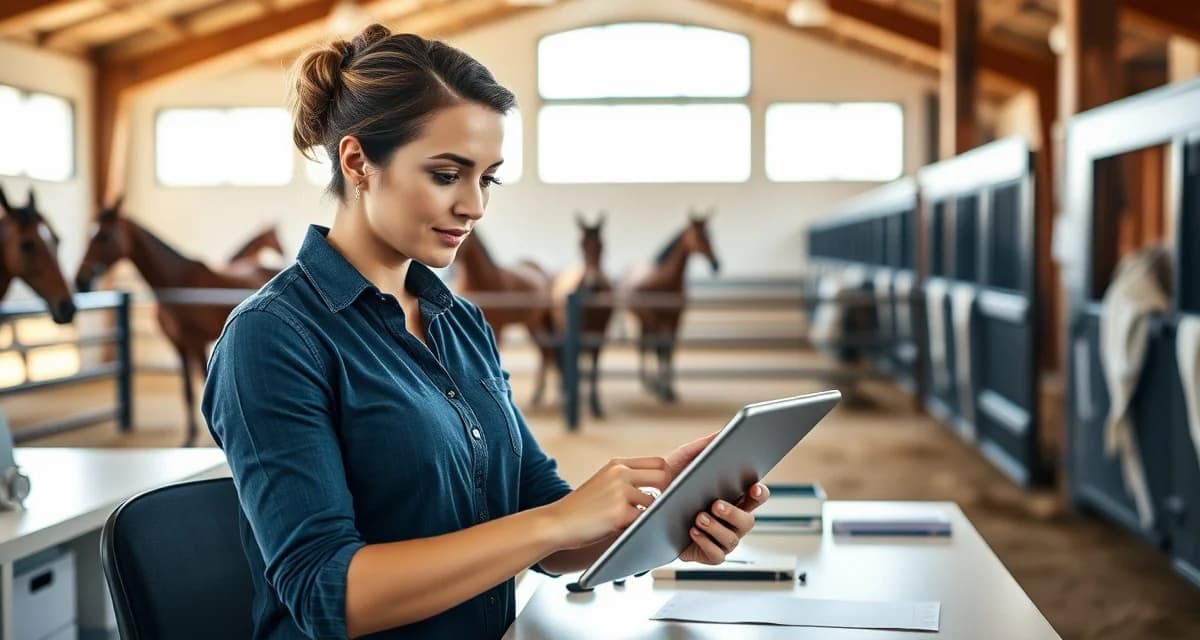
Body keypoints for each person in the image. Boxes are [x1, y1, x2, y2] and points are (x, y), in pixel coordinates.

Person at [202, 24, 770, 640]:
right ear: (358, 161)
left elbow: (543, 521)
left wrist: (667, 515)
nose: (475, 206)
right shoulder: (272, 339)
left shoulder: (459, 321)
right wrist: (554, 523)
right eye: (448, 175)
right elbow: (325, 594)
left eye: (488, 178)